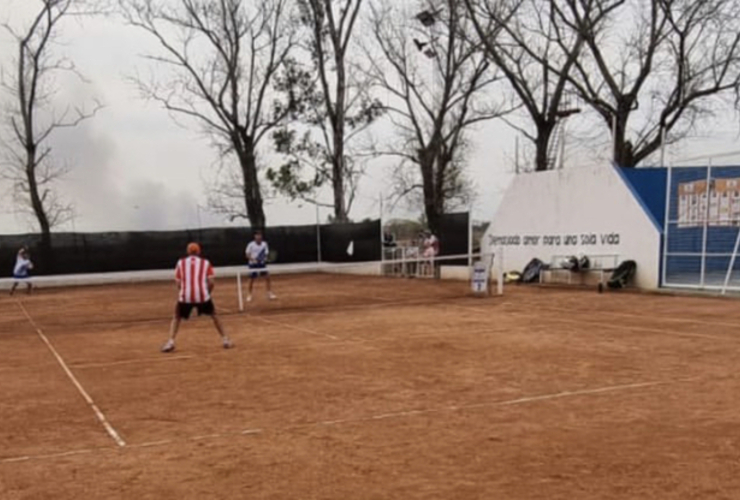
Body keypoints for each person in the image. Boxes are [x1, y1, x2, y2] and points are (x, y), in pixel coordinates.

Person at [161, 242, 233, 353]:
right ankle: (225, 339)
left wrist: (184, 292)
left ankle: (170, 341)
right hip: (203, 295)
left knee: (176, 317)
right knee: (214, 315)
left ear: (188, 252)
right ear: (199, 252)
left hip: (185, 296)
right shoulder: (205, 263)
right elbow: (211, 282)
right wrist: (207, 293)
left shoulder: (181, 263)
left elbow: (178, 283)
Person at [245, 231, 276, 302]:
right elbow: (247, 255)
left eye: (260, 236)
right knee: (251, 279)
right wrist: (253, 260)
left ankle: (269, 293)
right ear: (255, 237)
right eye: (257, 235)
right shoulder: (251, 245)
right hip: (252, 264)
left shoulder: (264, 244)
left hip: (261, 263)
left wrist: (264, 259)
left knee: (267, 277)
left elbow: (266, 254)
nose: (258, 237)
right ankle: (249, 295)